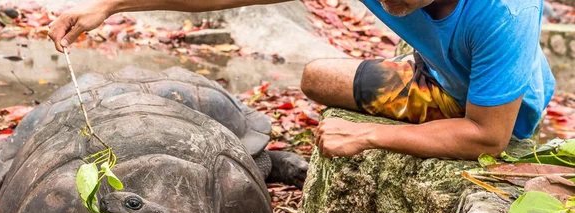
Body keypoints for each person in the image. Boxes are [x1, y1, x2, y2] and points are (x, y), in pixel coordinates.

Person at [48, 0, 554, 161]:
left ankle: (437, 65)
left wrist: (370, 134)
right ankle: (425, 60)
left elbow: (489, 135)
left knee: (497, 118)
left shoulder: (503, 12)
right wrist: (111, 5)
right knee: (316, 76)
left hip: (498, 108)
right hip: (441, 74)